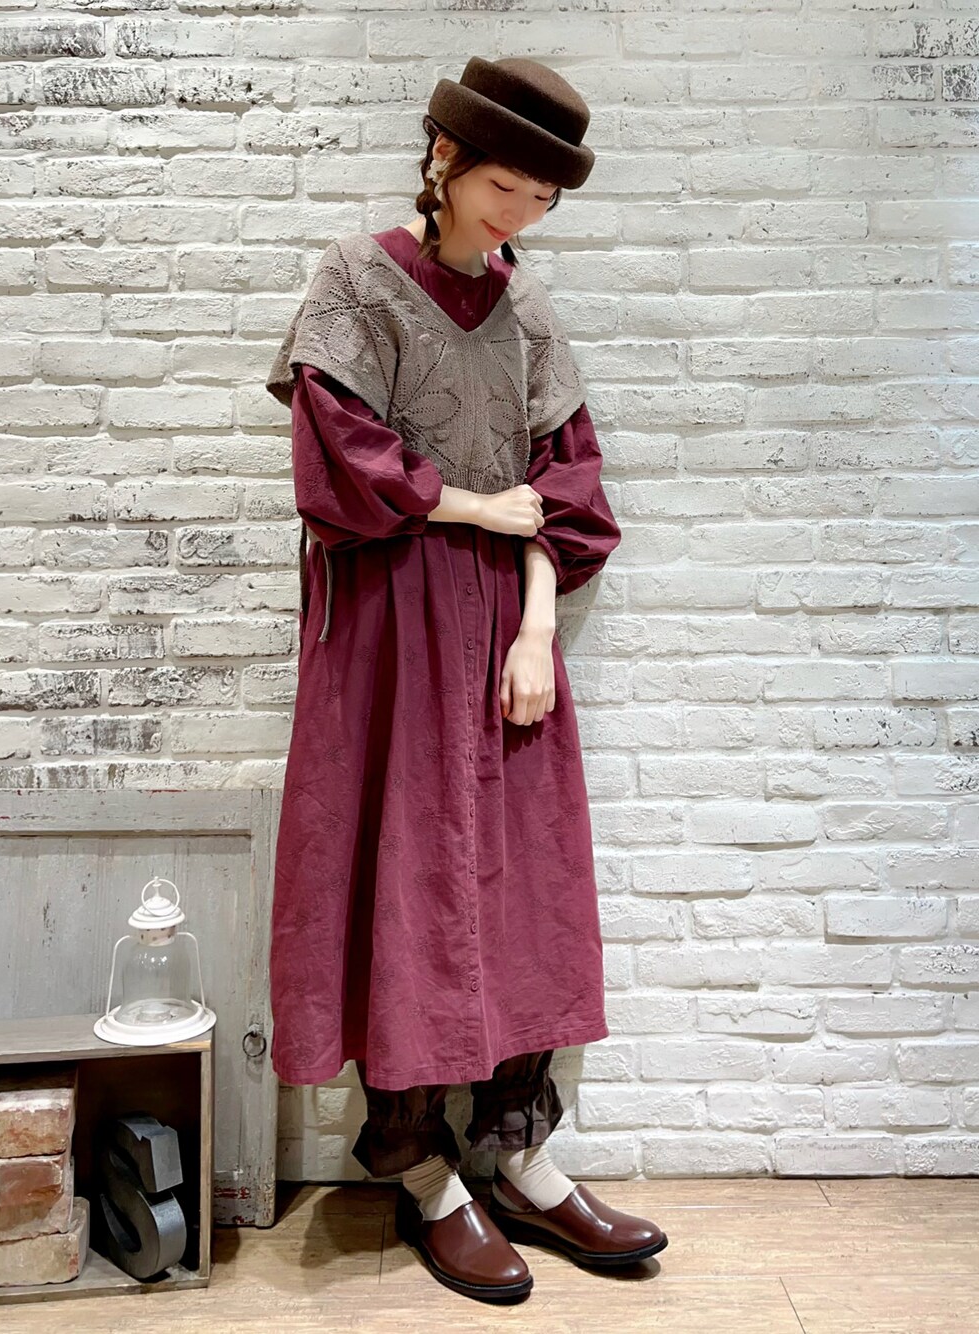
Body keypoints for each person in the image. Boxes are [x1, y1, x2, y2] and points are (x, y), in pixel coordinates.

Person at [265, 56, 668, 1302]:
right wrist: (477, 504)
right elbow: (341, 462)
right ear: (442, 157)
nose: (518, 214)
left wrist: (539, 627)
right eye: (505, 185)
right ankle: (422, 1168)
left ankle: (522, 1156)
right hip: (387, 629)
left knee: (521, 881)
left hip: (503, 629)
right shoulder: (357, 278)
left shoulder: (529, 309)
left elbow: (570, 492)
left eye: (542, 198)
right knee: (402, 877)